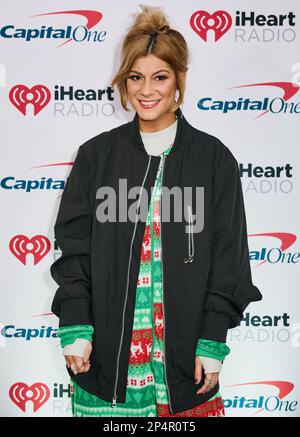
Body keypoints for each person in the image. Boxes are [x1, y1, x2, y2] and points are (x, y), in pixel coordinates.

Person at [50, 4, 263, 417]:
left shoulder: (214, 160)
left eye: (159, 77)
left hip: (184, 370)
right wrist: (75, 323)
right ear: (124, 83)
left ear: (178, 81)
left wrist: (212, 338)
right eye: (136, 77)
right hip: (106, 368)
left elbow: (229, 258)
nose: (147, 90)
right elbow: (74, 251)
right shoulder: (97, 157)